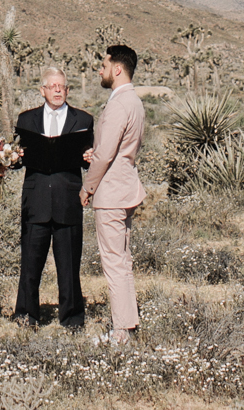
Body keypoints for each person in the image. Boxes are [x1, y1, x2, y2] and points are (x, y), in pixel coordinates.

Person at [13, 65, 95, 328]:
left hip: (67, 199)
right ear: (42, 90)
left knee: (69, 263)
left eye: (62, 86)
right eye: (53, 86)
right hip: (35, 199)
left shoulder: (83, 120)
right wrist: (14, 157)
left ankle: (72, 318)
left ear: (68, 90)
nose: (58, 90)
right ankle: (26, 315)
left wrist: (89, 158)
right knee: (30, 262)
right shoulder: (26, 120)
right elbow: (17, 161)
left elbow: (88, 160)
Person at [78, 43, 146, 343]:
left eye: (104, 66)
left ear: (117, 69)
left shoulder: (119, 103)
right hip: (126, 186)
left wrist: (87, 186)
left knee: (113, 262)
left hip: (111, 193)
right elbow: (116, 149)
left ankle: (121, 332)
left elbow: (106, 154)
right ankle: (128, 325)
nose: (100, 70)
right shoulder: (134, 101)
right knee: (123, 260)